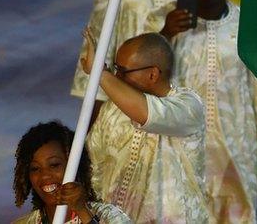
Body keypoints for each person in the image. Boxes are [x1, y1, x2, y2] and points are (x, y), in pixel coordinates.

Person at [162, 0, 257, 222]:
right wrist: (165, 33)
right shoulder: (169, 21)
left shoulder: (248, 27)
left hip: (235, 153)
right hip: (181, 153)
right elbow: (145, 76)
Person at [80, 30, 209, 223]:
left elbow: (148, 113)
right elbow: (93, 166)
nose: (117, 76)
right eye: (115, 69)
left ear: (152, 74)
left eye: (123, 71)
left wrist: (100, 74)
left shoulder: (189, 106)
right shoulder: (111, 110)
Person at [12, 120, 132, 223]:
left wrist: (82, 212)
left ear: (75, 166)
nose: (45, 176)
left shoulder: (109, 216)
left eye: (54, 165)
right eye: (35, 169)